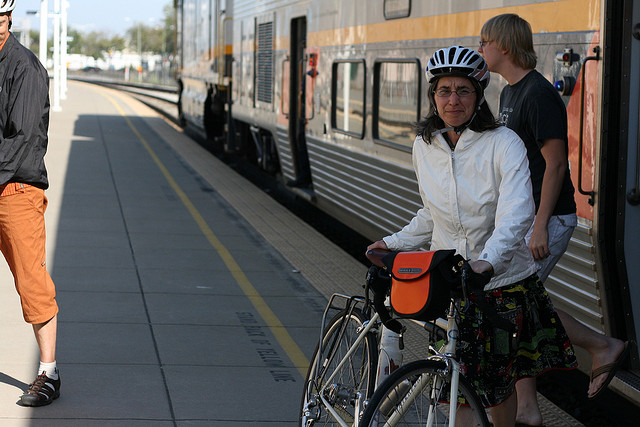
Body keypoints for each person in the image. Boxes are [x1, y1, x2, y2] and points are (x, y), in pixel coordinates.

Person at [367, 45, 577, 427]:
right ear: (433, 96)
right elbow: (432, 213)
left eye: (463, 90)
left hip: (500, 283)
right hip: (449, 281)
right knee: (454, 387)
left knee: (498, 391)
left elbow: (517, 213)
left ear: (479, 96)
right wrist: (394, 243)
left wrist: (487, 262)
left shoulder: (504, 143)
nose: (453, 100)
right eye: (444, 90)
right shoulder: (424, 146)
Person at [479, 13, 629, 425]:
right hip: (525, 216)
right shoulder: (510, 92)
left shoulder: (538, 94)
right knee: (520, 306)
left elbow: (556, 165)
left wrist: (541, 224)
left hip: (548, 218)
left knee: (519, 303)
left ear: (504, 45)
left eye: (484, 41)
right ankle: (528, 408)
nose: (480, 49)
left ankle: (602, 345)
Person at [0, 0, 61, 406]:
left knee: (31, 283)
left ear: (7, 19)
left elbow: (21, 139)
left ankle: (49, 373)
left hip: (16, 191)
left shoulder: (24, 67)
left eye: (0, 15)